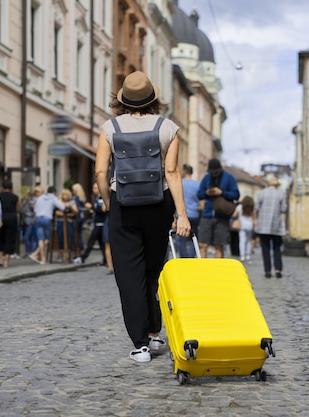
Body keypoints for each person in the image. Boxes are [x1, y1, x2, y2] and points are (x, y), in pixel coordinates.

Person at [95, 71, 191, 363]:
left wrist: (108, 201)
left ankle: (140, 346)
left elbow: (100, 172)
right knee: (153, 270)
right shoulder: (168, 128)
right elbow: (172, 173)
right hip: (158, 204)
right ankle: (154, 332)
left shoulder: (109, 128)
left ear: (122, 100)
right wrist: (182, 215)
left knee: (128, 274)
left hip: (124, 205)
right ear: (154, 99)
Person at [197, 158, 240, 258]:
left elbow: (236, 195)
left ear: (220, 168)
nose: (214, 174)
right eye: (212, 172)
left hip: (222, 216)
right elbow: (199, 194)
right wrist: (206, 193)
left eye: (216, 172)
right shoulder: (207, 178)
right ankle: (203, 270)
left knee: (219, 246)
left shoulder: (229, 178)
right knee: (202, 245)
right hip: (206, 215)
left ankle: (217, 271)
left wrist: (222, 193)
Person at [255, 175, 287, 278]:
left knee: (265, 248)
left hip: (263, 225)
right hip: (276, 225)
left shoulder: (262, 193)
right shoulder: (280, 194)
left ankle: (267, 271)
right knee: (277, 247)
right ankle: (278, 269)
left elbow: (257, 207)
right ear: (276, 185)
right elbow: (283, 209)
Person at [29, 186, 66, 264]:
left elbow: (35, 209)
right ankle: (36, 254)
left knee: (40, 239)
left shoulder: (40, 198)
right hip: (46, 219)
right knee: (48, 239)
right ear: (54, 192)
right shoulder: (53, 198)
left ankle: (42, 258)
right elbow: (62, 207)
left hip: (38, 218)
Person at [73, 183, 107, 265]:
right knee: (101, 243)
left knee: (91, 241)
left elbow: (102, 210)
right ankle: (105, 260)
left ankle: (83, 257)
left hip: (100, 223)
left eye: (95, 188)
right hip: (98, 222)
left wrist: (91, 207)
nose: (93, 190)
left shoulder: (101, 198)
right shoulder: (98, 198)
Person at [175, 164, 200, 257]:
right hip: (194, 214)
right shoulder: (197, 184)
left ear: (184, 172)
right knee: (194, 236)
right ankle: (191, 257)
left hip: (181, 213)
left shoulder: (179, 183)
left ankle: (183, 257)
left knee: (181, 237)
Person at [0, 180, 21, 267]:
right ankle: (6, 261)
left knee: (1, 237)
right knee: (10, 239)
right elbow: (19, 209)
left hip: (1, 218)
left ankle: (0, 259)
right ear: (11, 187)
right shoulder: (15, 197)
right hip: (11, 218)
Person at [55, 188, 79, 263]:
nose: (65, 196)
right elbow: (57, 213)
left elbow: (76, 211)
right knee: (60, 238)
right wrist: (66, 214)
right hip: (60, 222)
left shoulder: (71, 202)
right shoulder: (58, 202)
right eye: (64, 195)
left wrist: (70, 207)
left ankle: (72, 256)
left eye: (67, 195)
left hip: (69, 222)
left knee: (71, 238)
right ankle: (60, 255)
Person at [21, 187, 41, 256]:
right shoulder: (27, 201)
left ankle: (32, 252)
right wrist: (24, 202)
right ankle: (30, 251)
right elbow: (23, 210)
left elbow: (33, 209)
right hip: (28, 221)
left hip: (33, 221)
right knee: (28, 237)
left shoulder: (36, 200)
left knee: (32, 237)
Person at [235, 196, 256, 262]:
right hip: (249, 225)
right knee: (248, 241)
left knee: (242, 241)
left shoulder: (240, 207)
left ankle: (242, 255)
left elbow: (234, 214)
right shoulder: (252, 208)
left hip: (242, 225)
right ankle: (248, 255)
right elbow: (254, 217)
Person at [71, 183, 87, 253]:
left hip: (78, 217)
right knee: (79, 233)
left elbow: (77, 207)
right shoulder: (82, 197)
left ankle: (80, 247)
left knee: (77, 233)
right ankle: (81, 247)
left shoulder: (77, 197)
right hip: (82, 216)